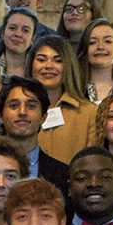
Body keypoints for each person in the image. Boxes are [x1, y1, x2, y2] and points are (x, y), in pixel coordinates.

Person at [30, 34, 97, 165]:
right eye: (41, 59)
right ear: (31, 64)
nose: (48, 66)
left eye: (58, 60)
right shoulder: (16, 108)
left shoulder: (89, 113)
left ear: (68, 67)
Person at [0, 76, 69, 193]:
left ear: (43, 117)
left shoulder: (64, 174)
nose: (22, 112)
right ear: (0, 116)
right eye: (14, 105)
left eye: (31, 106)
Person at [0, 8, 38, 81]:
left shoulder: (37, 70)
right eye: (12, 28)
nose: (18, 34)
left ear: (33, 39)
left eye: (25, 30)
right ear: (2, 33)